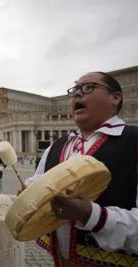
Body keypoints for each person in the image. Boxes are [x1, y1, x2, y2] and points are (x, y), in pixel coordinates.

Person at [26, 72, 138, 266]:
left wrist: (91, 215)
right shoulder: (57, 145)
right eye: (74, 90)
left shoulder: (134, 141)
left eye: (88, 87)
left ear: (115, 97)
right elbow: (36, 184)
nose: (77, 94)